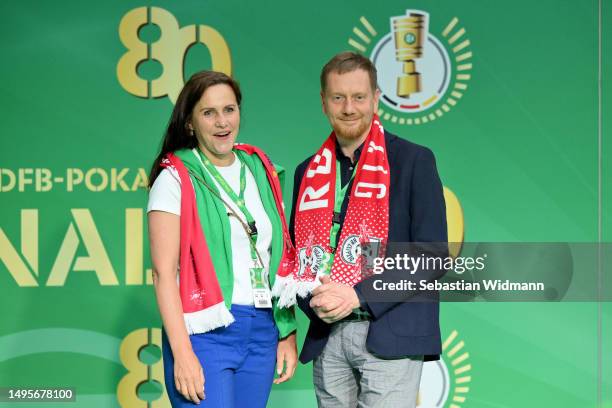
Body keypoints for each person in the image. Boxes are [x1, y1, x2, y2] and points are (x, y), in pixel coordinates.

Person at [279, 52, 448, 407]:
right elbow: (296, 257)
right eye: (338, 97)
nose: (349, 107)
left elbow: (432, 255)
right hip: (328, 332)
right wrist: (317, 302)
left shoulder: (414, 161)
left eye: (358, 97)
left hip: (389, 329)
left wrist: (358, 295)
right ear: (324, 103)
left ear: (375, 99)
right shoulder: (306, 172)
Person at [147, 70, 297, 407]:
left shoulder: (262, 169)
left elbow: (278, 256)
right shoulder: (174, 178)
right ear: (190, 123)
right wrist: (182, 353)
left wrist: (285, 331)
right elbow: (163, 274)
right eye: (208, 112)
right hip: (204, 333)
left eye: (229, 110)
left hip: (260, 329)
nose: (221, 122)